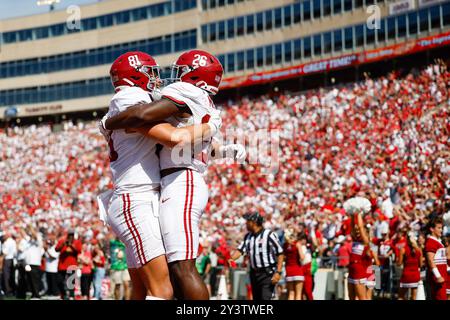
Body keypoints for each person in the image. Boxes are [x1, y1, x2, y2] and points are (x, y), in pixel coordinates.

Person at [104, 49, 244, 300]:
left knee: (181, 267)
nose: (165, 77)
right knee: (170, 272)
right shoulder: (201, 101)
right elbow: (200, 143)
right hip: (168, 183)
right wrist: (218, 140)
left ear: (195, 76)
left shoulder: (186, 92)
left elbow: (159, 128)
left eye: (182, 72)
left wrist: (109, 121)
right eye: (151, 73)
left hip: (179, 181)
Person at [229, 212, 284, 300]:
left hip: (267, 273)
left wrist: (278, 272)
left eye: (248, 221)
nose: (246, 223)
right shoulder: (248, 236)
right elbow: (240, 250)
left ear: (254, 223)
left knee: (265, 298)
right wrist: (231, 259)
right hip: (254, 273)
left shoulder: (269, 235)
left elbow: (280, 253)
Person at [424, 217, 447, 300]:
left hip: (443, 277)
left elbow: (442, 261)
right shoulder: (431, 242)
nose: (441, 230)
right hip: (437, 279)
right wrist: (438, 276)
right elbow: (430, 260)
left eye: (442, 228)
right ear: (432, 229)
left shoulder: (438, 241)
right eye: (439, 228)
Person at [55, 229, 82, 300]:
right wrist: (63, 244)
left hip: (72, 265)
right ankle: (63, 294)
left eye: (72, 235)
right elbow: (56, 249)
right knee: (59, 281)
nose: (71, 236)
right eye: (70, 235)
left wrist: (71, 245)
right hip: (62, 265)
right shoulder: (62, 241)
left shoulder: (77, 242)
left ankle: (71, 296)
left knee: (71, 282)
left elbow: (79, 251)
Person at [398, 233, 422, 300]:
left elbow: (399, 263)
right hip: (415, 275)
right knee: (414, 297)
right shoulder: (419, 250)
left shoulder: (403, 249)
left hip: (406, 275)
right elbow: (421, 264)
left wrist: (398, 261)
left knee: (401, 296)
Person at [23, 225, 44, 299]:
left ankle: (37, 295)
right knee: (29, 279)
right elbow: (24, 234)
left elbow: (34, 235)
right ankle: (33, 294)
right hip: (29, 263)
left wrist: (31, 228)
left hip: (34, 263)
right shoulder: (29, 240)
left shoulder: (38, 237)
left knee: (34, 280)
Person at [283, 228, 304, 300]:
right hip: (297, 269)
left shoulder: (285, 245)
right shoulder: (297, 244)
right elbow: (302, 257)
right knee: (298, 294)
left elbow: (283, 257)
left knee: (291, 293)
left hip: (289, 269)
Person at [1, 231, 16, 297]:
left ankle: (8, 291)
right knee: (11, 276)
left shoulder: (7, 242)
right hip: (12, 259)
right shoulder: (12, 241)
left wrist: (1, 260)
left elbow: (5, 253)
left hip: (7, 260)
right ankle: (11, 290)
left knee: (6, 276)